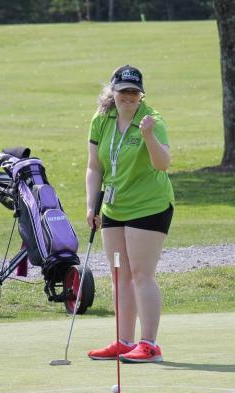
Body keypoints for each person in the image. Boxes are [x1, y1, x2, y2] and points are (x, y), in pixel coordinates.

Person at [85, 65, 174, 363]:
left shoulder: (152, 121)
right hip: (114, 207)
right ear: (114, 92)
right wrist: (91, 206)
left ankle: (149, 345)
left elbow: (163, 164)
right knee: (119, 274)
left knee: (141, 274)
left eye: (134, 92)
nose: (129, 97)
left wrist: (148, 136)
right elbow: (94, 166)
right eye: (123, 92)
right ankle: (124, 341)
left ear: (141, 94)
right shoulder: (102, 120)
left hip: (149, 206)